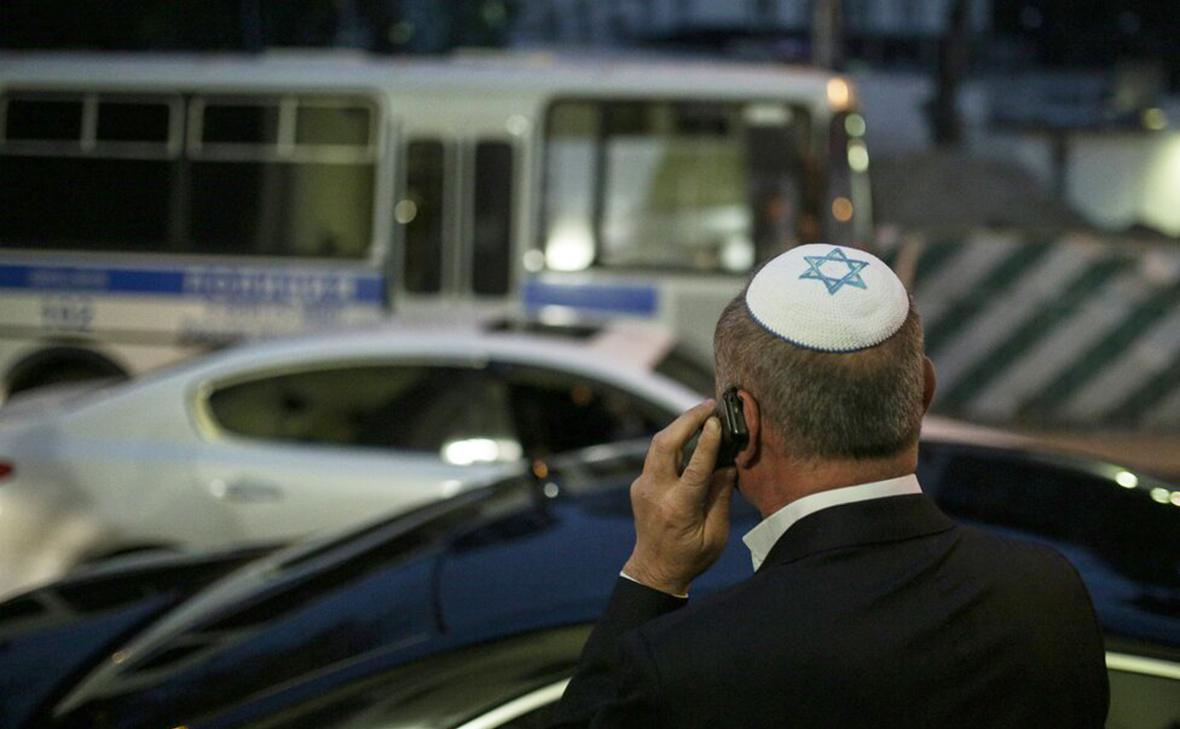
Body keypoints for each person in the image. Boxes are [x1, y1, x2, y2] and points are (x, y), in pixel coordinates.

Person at [549, 244, 1109, 728]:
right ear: (922, 392)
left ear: (743, 423)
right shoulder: (1048, 596)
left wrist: (652, 576)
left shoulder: (685, 665)